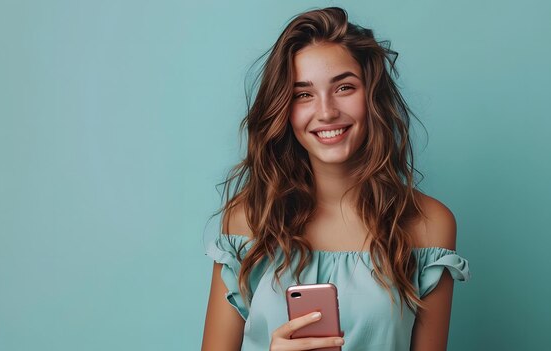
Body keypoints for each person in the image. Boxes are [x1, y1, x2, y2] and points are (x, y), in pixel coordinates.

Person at [201, 6, 470, 351]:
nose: (326, 111)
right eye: (303, 94)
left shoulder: (429, 224)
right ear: (284, 109)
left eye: (344, 87)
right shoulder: (248, 220)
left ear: (373, 96)